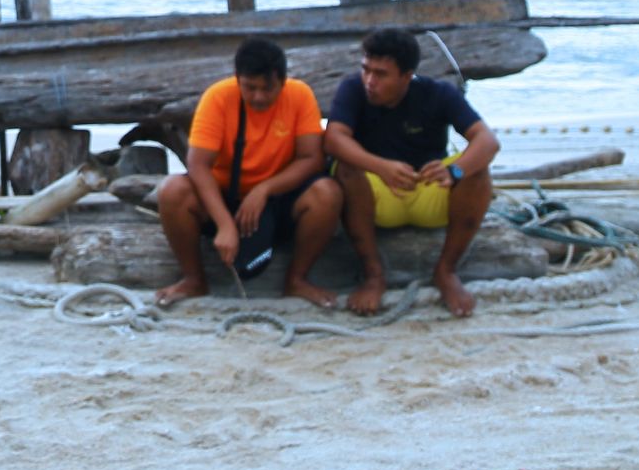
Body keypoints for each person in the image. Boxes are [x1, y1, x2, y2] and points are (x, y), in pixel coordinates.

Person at [321, 26, 500, 317]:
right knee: (346, 167)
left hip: (428, 186)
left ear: (407, 76)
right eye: (366, 70)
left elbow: (487, 141)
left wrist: (454, 171)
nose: (369, 81)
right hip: (377, 193)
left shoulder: (438, 93)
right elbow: (334, 139)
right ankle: (374, 275)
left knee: (476, 171)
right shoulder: (353, 88)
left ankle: (446, 271)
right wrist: (381, 166)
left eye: (381, 74)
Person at [154, 37, 342, 308]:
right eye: (249, 88)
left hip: (279, 200)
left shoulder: (299, 95)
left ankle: (297, 280)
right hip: (225, 197)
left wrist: (264, 189)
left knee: (327, 193)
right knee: (172, 191)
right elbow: (197, 164)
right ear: (237, 79)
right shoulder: (218, 97)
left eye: (268, 89)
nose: (258, 97)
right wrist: (224, 224)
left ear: (283, 81)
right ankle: (194, 280)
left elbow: (311, 158)